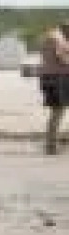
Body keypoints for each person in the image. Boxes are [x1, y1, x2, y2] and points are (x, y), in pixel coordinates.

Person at [40, 21, 69, 155]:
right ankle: (51, 146)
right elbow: (62, 58)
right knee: (58, 111)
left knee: (57, 111)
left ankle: (52, 143)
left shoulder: (49, 36)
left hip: (50, 77)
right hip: (57, 78)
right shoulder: (58, 38)